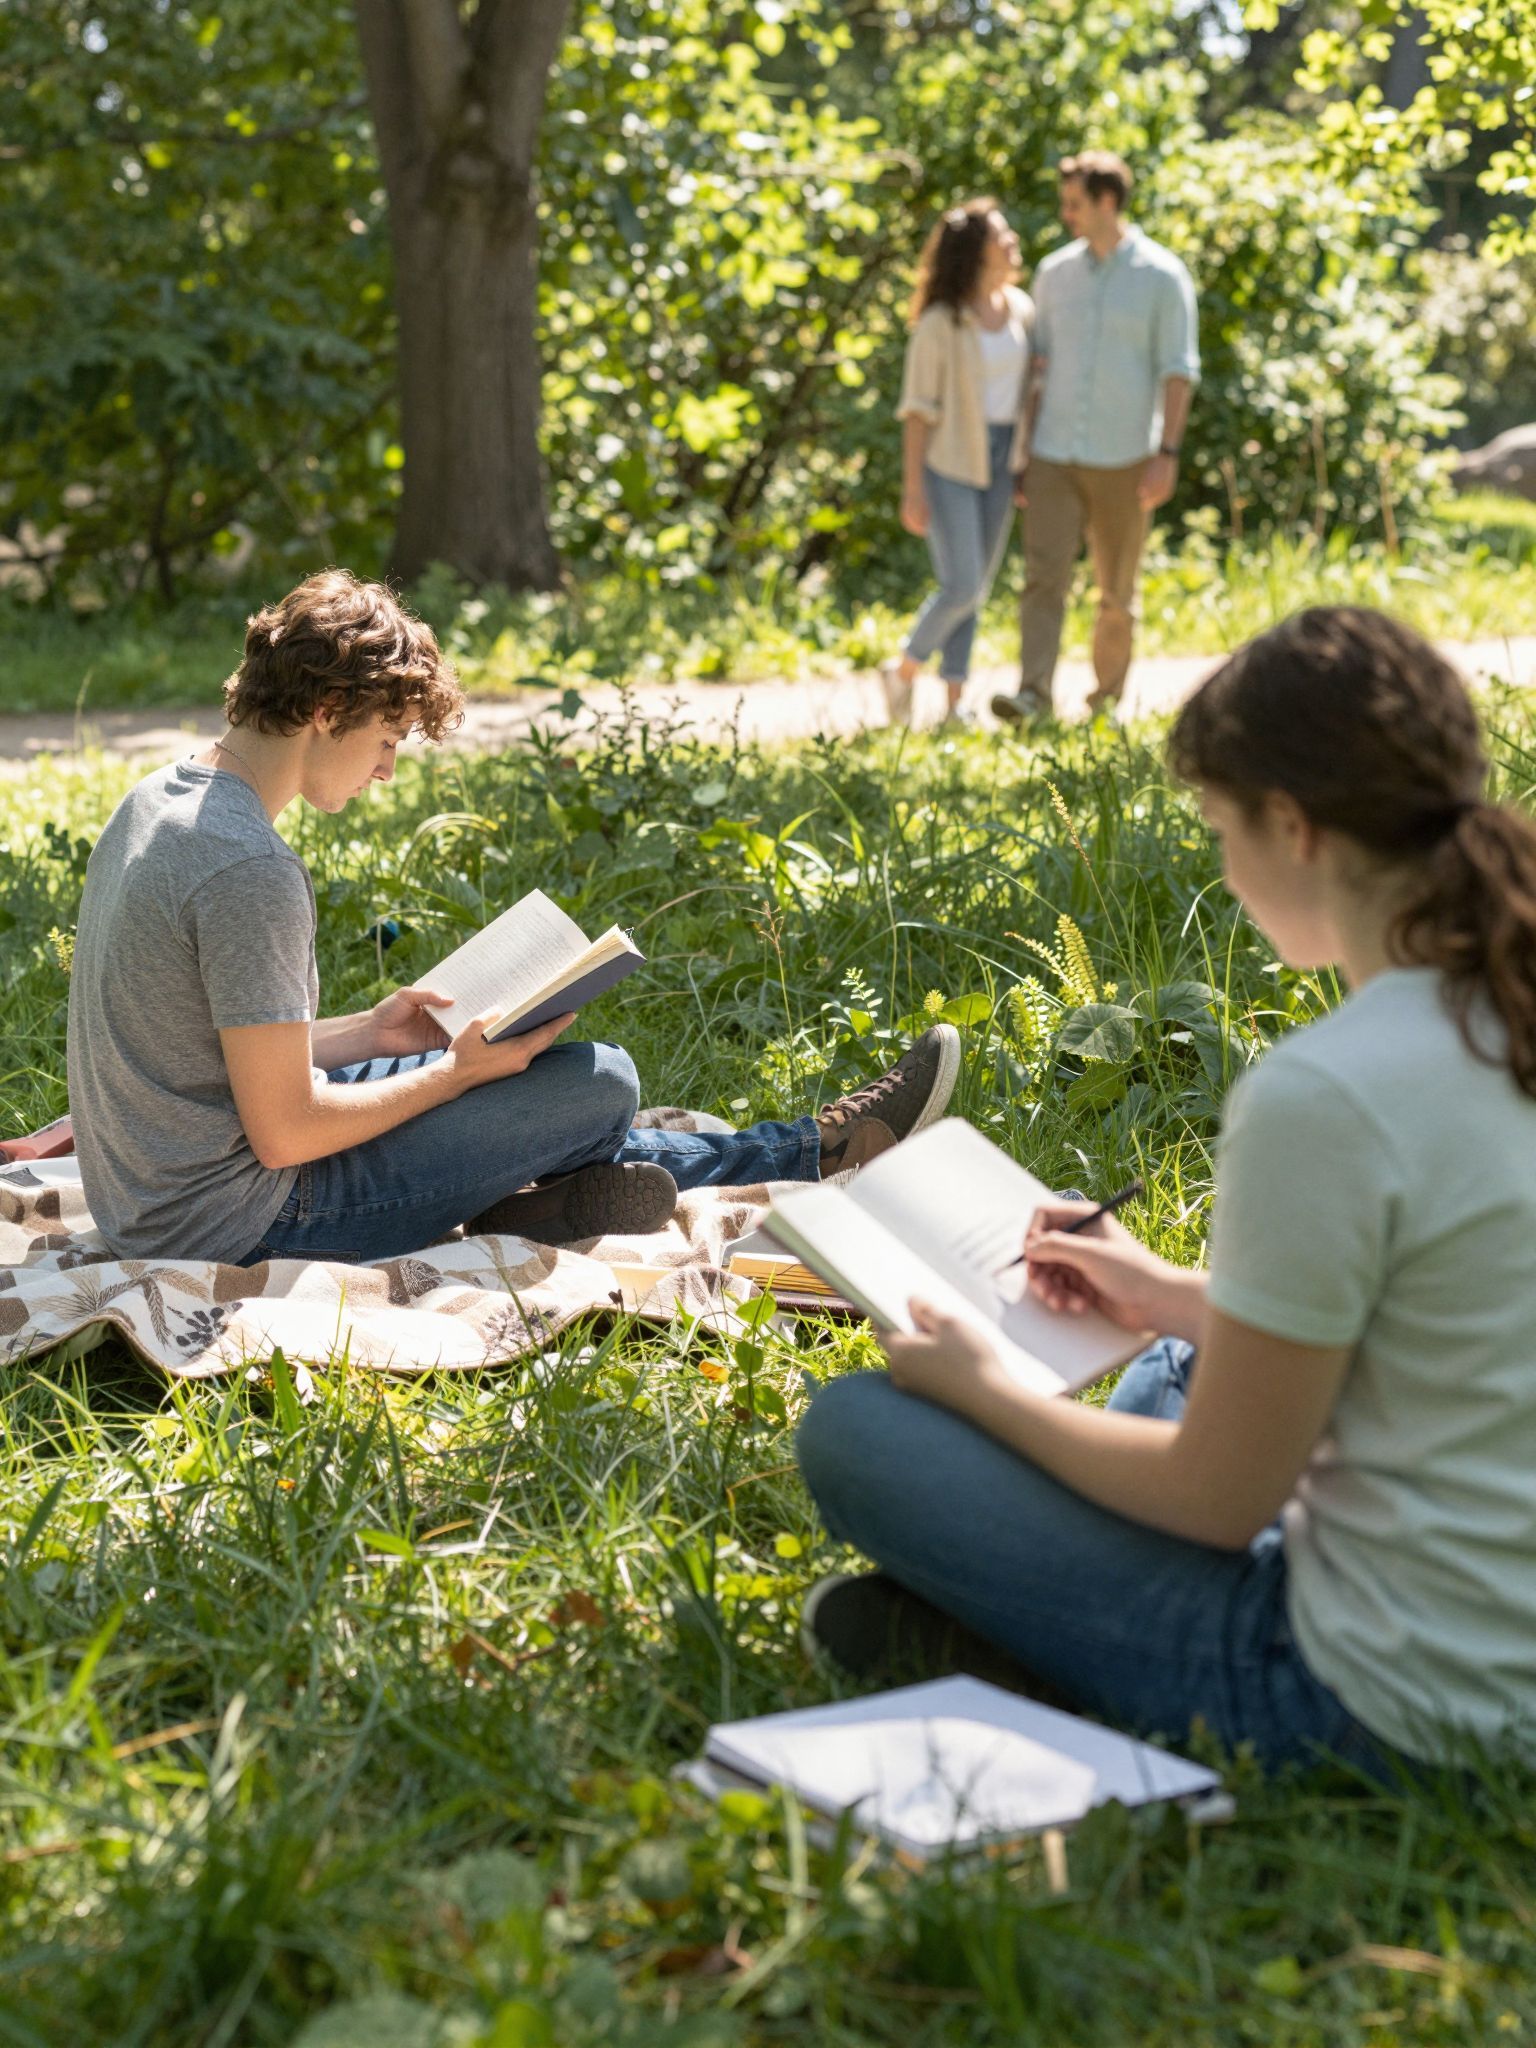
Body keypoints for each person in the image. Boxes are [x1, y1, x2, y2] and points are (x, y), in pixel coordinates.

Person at [800, 607, 1536, 1773]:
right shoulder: (1506, 1001)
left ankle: (1032, 1635)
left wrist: (989, 1388)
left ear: (1290, 826)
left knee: (854, 1430)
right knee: (1185, 1354)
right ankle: (1029, 1608)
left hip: (1377, 1695)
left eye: (1218, 825)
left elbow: (1217, 1499)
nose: (1222, 864)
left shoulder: (1327, 1096)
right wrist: (1171, 1294)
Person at [65, 570, 961, 1268]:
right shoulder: (251, 867)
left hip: (151, 1195)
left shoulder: (162, 800)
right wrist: (450, 1078)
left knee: (523, 1078)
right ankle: (806, 1151)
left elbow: (229, 1046)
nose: (384, 771)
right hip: (242, 1222)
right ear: (327, 711)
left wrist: (372, 1031)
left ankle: (797, 1151)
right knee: (597, 1083)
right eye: (385, 741)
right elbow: (287, 1130)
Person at [991, 151, 1199, 728]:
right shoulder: (1054, 274)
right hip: (1054, 453)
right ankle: (1033, 695)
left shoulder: (1162, 276)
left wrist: (1167, 454)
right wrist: (1024, 452)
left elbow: (1178, 370)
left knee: (1115, 594)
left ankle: (1104, 703)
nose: (1066, 215)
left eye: (1074, 203)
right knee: (1042, 578)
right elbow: (1039, 367)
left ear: (1108, 202)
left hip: (1127, 457)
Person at [881, 197, 1032, 729]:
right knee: (962, 584)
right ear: (976, 250)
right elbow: (917, 411)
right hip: (948, 462)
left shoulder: (1020, 309)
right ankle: (902, 670)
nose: (1013, 241)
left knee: (976, 589)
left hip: (1003, 459)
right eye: (1002, 234)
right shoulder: (940, 323)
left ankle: (953, 705)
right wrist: (913, 488)